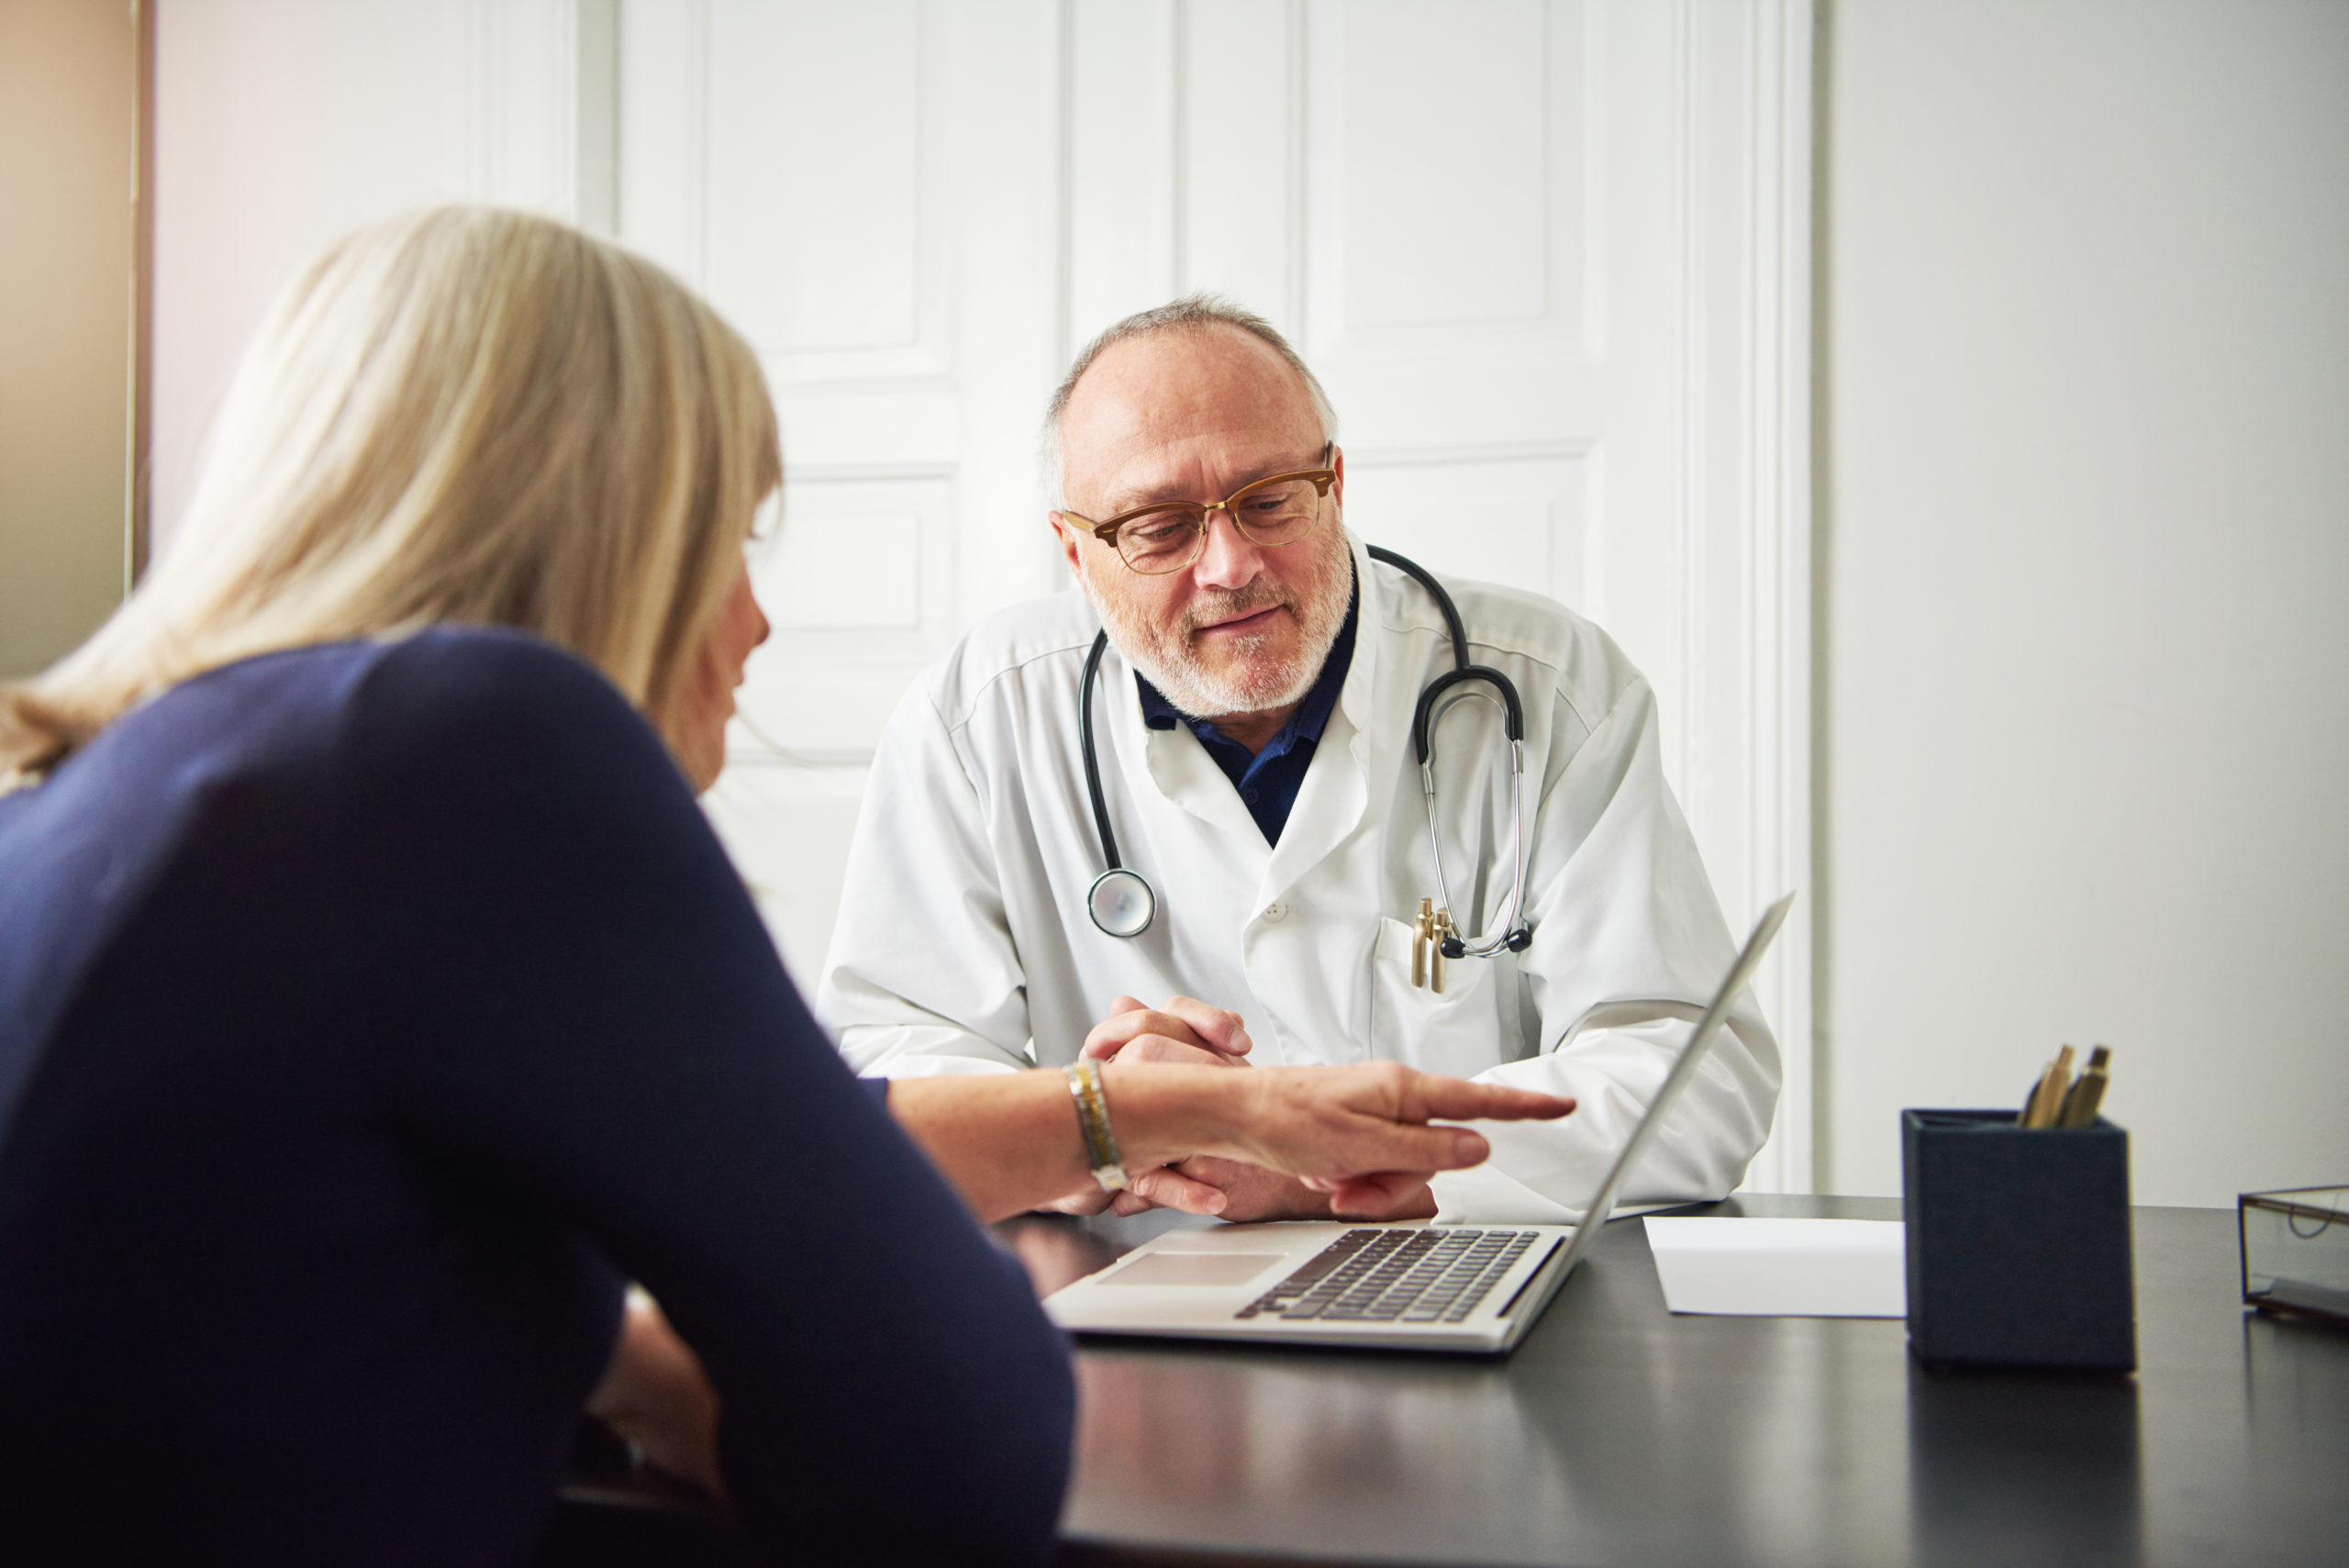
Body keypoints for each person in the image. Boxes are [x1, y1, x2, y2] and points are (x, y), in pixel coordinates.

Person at [0, 210, 1571, 1568]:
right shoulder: (476, 739)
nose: (753, 623)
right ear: (594, 531)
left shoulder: (117, 789)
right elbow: (964, 1440)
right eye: (727, 536)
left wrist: (613, 1348)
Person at [820, 295, 1780, 1226]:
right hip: (1130, 1313)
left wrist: (1353, 1156)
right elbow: (890, 1073)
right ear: (1076, 552)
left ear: (1335, 483)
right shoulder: (977, 719)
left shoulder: (1551, 686)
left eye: (1268, 500)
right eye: (1159, 527)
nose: (1230, 563)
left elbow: (1694, 1078)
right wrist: (1100, 1125)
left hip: (1455, 1278)